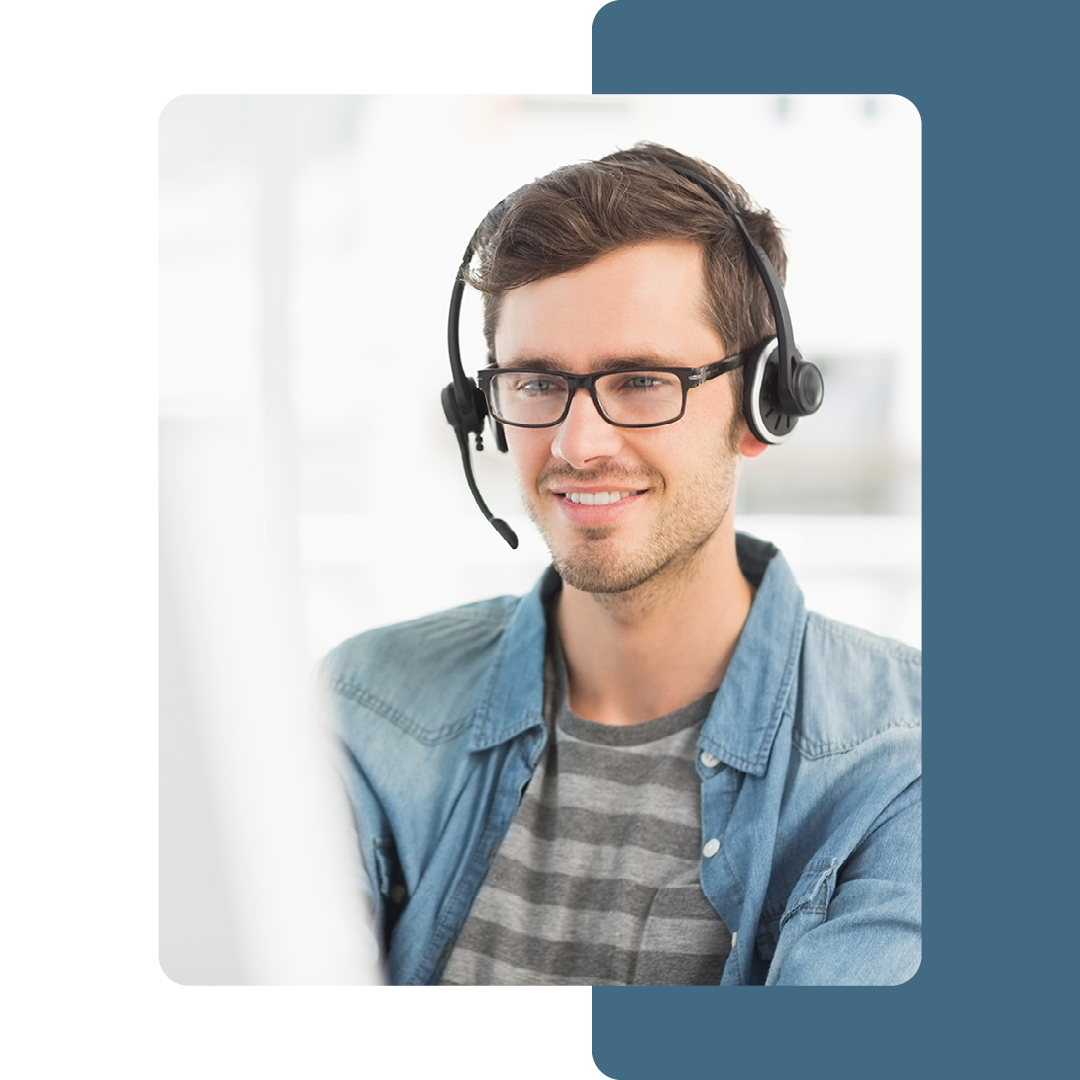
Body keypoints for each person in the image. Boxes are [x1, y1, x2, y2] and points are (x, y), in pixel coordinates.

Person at [319, 143, 921, 986]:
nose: (575, 444)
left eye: (641, 380)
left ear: (763, 405)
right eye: (535, 382)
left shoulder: (907, 760)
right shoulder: (363, 704)